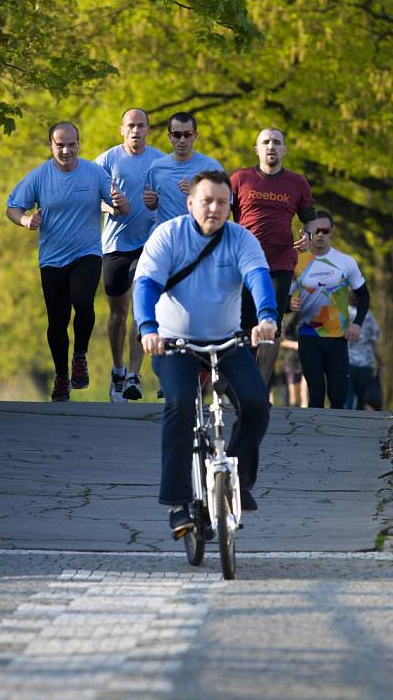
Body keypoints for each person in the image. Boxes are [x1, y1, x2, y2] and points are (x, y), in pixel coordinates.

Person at [133, 170, 277, 533]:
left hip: (227, 341)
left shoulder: (241, 239)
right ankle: (178, 503)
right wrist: (148, 329)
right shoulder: (169, 235)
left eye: (222, 202)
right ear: (190, 203)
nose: (214, 208)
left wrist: (267, 319)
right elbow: (146, 285)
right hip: (174, 343)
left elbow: (258, 278)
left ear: (231, 205)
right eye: (207, 201)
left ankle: (238, 483)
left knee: (257, 404)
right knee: (180, 404)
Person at [6, 122, 130, 401]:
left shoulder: (94, 173)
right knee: (57, 321)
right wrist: (26, 219)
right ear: (51, 145)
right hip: (51, 259)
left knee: (83, 302)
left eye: (71, 144)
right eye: (60, 145)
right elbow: (12, 207)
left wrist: (120, 202)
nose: (66, 150)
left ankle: (80, 356)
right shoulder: (39, 177)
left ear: (79, 143)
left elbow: (122, 209)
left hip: (86, 253)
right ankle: (62, 377)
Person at [231, 127, 316, 384]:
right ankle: (241, 380)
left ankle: (260, 383)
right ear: (257, 149)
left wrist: (308, 236)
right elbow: (222, 213)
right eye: (265, 142)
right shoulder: (239, 179)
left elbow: (310, 218)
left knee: (270, 325)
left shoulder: (297, 182)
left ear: (284, 150)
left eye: (276, 142)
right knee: (244, 325)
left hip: (280, 262)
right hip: (244, 262)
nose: (271, 146)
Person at [95, 108, 165, 402]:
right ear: (121, 130)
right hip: (115, 245)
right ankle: (118, 370)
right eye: (131, 126)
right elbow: (91, 198)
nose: (136, 131)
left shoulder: (161, 162)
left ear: (148, 130)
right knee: (117, 316)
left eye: (141, 126)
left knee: (141, 308)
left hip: (149, 244)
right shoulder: (107, 160)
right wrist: (111, 206)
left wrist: (158, 200)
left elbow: (174, 198)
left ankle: (135, 374)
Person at [290, 211, 369, 409]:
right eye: (315, 230)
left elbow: (364, 296)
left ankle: (337, 439)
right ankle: (313, 439)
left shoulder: (345, 262)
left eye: (324, 230)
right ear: (306, 232)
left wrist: (358, 324)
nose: (319, 235)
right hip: (309, 336)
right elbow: (281, 299)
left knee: (338, 396)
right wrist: (288, 305)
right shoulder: (296, 263)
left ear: (331, 232)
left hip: (338, 338)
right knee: (316, 394)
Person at [143, 111, 223, 229]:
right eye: (176, 134)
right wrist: (152, 203)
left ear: (195, 135)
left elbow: (224, 211)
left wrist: (197, 192)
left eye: (187, 134)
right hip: (166, 237)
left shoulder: (212, 168)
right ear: (169, 137)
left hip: (198, 237)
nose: (182, 140)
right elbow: (151, 206)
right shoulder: (156, 167)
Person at [345, 292, 382, 410]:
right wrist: (381, 363)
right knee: (362, 399)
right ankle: (360, 425)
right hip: (366, 364)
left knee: (348, 397)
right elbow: (374, 344)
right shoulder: (369, 316)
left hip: (347, 362)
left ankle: (344, 424)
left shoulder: (343, 314)